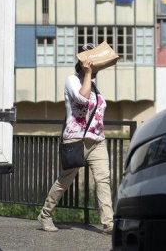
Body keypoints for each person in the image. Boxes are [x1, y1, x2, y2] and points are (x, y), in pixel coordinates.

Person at [38, 59, 114, 234]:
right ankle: (45, 214)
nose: (96, 69)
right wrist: (87, 73)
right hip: (76, 140)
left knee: (103, 180)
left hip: (97, 140)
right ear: (84, 64)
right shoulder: (72, 80)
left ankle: (108, 223)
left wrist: (89, 77)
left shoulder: (94, 86)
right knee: (65, 180)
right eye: (93, 66)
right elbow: (81, 98)